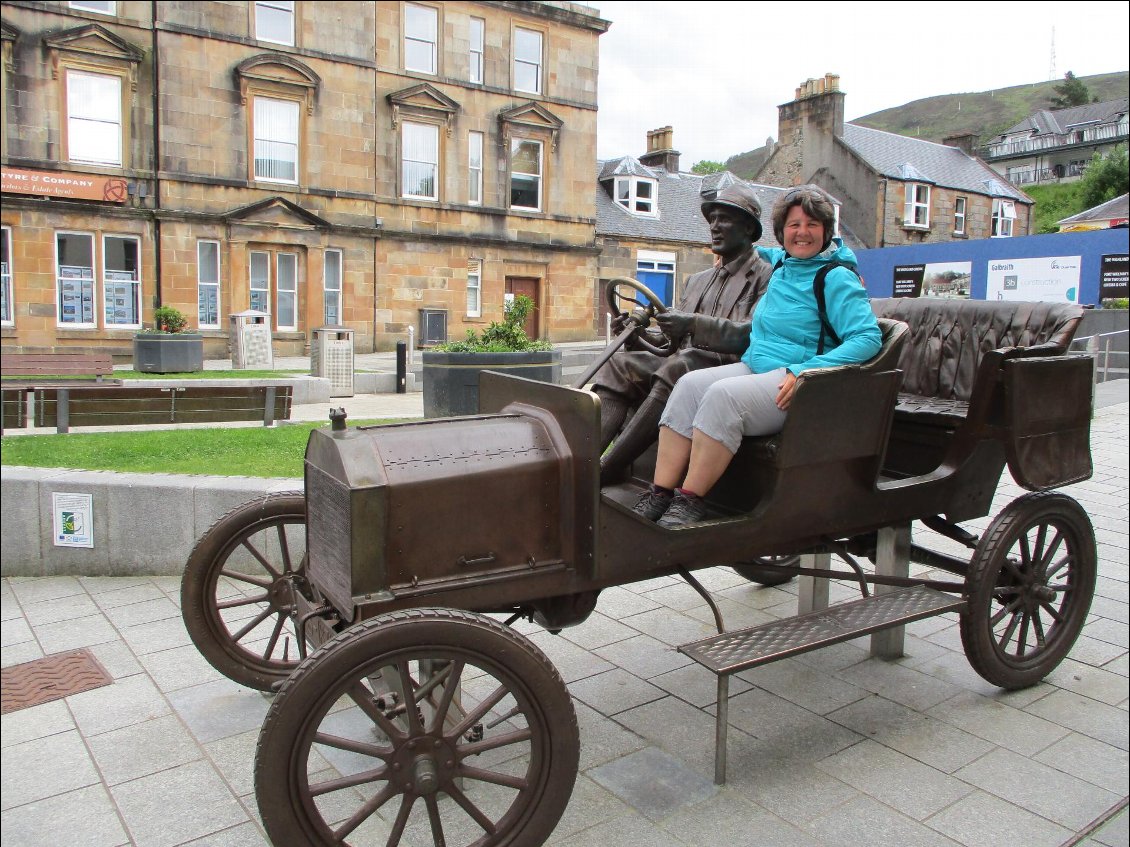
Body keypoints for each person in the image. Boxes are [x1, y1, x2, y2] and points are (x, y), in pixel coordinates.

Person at [635, 184, 882, 528]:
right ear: (782, 233)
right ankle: (659, 492)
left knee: (723, 397)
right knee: (688, 384)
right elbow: (748, 246)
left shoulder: (835, 277)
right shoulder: (782, 263)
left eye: (812, 225)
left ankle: (690, 501)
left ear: (826, 231)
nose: (803, 233)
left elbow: (868, 338)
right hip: (757, 367)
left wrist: (806, 371)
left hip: (799, 384)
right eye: (794, 225)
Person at [593, 183, 774, 484]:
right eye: (712, 219)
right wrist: (635, 336)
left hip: (731, 369)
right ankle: (584, 459)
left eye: (724, 219)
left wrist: (691, 325)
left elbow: (750, 335)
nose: (714, 227)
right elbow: (669, 344)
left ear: (748, 228)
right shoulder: (697, 281)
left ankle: (607, 469)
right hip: (683, 361)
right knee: (620, 366)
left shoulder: (767, 277)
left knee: (682, 365)